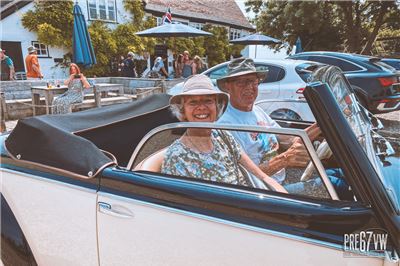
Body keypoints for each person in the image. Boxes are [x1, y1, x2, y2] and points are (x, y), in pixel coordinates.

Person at [217, 57, 352, 199]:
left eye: (253, 81)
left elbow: (290, 139)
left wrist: (324, 122)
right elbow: (242, 177)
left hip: (279, 182)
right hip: (261, 192)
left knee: (341, 174)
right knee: (335, 184)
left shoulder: (257, 111)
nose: (249, 87)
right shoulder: (226, 126)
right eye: (241, 82)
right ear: (227, 86)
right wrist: (285, 159)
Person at [161, 74, 287, 193]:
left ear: (217, 107)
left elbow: (261, 176)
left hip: (251, 198)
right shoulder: (176, 157)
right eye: (193, 102)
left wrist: (284, 198)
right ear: (183, 112)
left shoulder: (222, 135)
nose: (201, 107)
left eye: (208, 101)